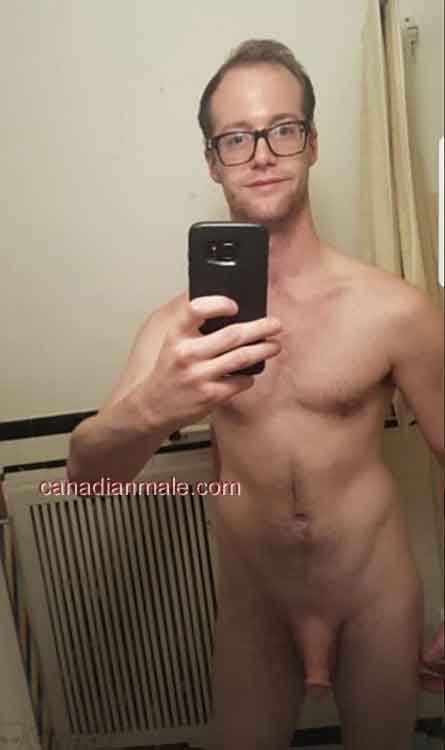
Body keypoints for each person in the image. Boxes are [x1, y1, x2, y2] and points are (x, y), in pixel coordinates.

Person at [67, 40, 444, 750]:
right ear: (212, 161)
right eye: (236, 138)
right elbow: (87, 479)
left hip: (375, 597)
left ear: (312, 144)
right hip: (256, 608)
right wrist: (155, 405)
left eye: (282, 129)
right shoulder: (179, 329)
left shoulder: (393, 310)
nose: (262, 154)